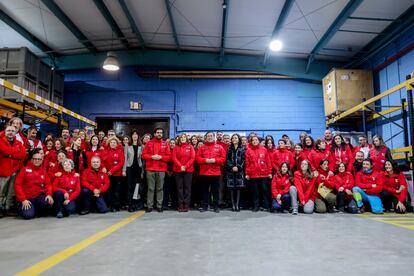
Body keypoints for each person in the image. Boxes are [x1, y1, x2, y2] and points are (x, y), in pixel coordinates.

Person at [14, 149, 54, 219]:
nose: (37, 160)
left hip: (38, 196)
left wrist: (49, 194)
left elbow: (48, 185)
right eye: (35, 159)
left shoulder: (43, 171)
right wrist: (23, 199)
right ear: (31, 160)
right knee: (28, 215)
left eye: (39, 159)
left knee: (49, 202)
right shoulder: (24, 170)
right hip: (27, 198)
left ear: (42, 161)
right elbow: (17, 185)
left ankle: (35, 209)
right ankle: (21, 207)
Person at [142, 128, 171, 213]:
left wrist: (161, 157)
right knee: (150, 188)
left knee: (160, 188)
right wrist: (151, 157)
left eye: (161, 133)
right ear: (154, 134)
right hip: (150, 169)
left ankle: (159, 206)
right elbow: (143, 155)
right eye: (158, 133)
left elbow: (169, 157)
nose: (159, 134)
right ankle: (149, 206)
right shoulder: (149, 143)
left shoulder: (165, 144)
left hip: (161, 170)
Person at [0, 125, 27, 217]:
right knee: (1, 191)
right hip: (3, 171)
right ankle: (0, 208)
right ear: (5, 132)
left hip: (15, 171)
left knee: (11, 192)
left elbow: (23, 155)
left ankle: (7, 208)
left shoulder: (19, 142)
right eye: (8, 130)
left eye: (12, 131)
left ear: (16, 133)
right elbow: (5, 151)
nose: (10, 132)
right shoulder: (1, 141)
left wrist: (11, 155)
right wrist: (15, 151)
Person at [196, 131, 226, 213]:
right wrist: (205, 160)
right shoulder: (201, 147)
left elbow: (223, 158)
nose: (210, 137)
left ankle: (216, 206)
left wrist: (215, 160)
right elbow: (197, 158)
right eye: (208, 136)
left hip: (215, 173)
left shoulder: (219, 147)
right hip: (204, 173)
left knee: (215, 191)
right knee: (205, 190)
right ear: (205, 138)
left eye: (211, 136)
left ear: (214, 137)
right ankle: (205, 206)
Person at [245, 135, 272, 212]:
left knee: (265, 191)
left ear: (258, 141)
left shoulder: (264, 150)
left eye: (256, 140)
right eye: (253, 140)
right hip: (253, 175)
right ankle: (256, 206)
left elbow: (268, 162)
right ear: (251, 142)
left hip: (264, 174)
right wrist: (247, 173)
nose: (254, 141)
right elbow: (247, 163)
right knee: (255, 192)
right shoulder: (248, 151)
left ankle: (267, 206)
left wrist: (269, 172)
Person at [172, 133, 195, 212]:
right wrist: (180, 166)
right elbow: (174, 158)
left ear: (186, 139)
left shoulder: (190, 147)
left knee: (187, 188)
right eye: (181, 137)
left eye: (184, 137)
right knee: (179, 188)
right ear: (179, 139)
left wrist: (185, 166)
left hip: (188, 170)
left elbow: (192, 158)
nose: (183, 138)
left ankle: (186, 205)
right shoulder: (176, 147)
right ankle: (180, 204)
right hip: (177, 170)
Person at [122, 130, 143, 212]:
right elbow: (125, 158)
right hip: (129, 168)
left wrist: (142, 172)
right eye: (133, 134)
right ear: (131, 136)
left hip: (138, 168)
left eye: (136, 134)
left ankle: (135, 204)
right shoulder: (127, 146)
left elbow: (143, 160)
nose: (135, 136)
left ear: (138, 136)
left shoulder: (141, 146)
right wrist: (124, 170)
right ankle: (130, 205)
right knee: (129, 187)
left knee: (136, 187)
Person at [103, 136, 125, 212]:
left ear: (117, 144)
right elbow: (102, 161)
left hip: (117, 174)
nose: (113, 144)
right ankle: (109, 205)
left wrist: (112, 171)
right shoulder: (105, 151)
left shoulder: (120, 151)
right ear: (109, 143)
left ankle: (116, 206)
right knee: (109, 190)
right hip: (107, 175)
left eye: (114, 142)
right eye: (111, 142)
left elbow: (121, 163)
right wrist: (104, 168)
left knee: (116, 191)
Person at [226, 134, 245, 212]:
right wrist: (231, 167)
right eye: (233, 138)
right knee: (231, 188)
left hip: (239, 171)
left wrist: (238, 167)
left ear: (238, 139)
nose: (234, 139)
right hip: (230, 171)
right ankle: (233, 205)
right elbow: (227, 159)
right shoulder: (229, 149)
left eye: (236, 138)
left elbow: (244, 160)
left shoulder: (242, 149)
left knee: (238, 188)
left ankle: (237, 205)